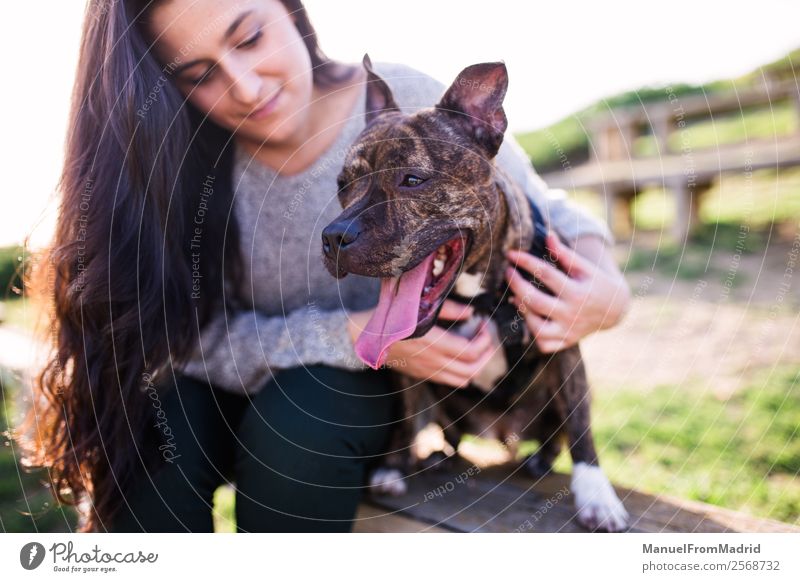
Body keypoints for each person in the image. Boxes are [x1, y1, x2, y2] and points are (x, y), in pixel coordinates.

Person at [21, 0, 630, 533]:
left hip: (342, 396)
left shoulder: (407, 100)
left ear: (289, 8)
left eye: (250, 38)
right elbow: (164, 338)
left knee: (302, 424)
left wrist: (605, 284)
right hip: (219, 375)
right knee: (149, 436)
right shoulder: (180, 162)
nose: (246, 87)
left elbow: (537, 202)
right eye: (200, 73)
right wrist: (342, 334)